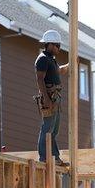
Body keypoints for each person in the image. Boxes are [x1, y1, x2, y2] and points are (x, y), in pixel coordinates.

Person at [35, 30, 69, 166]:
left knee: (54, 130)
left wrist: (70, 65)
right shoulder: (42, 59)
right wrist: (46, 98)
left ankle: (55, 157)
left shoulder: (51, 60)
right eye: (57, 46)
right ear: (49, 44)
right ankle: (44, 157)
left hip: (55, 97)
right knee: (47, 128)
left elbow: (59, 71)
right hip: (49, 96)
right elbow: (39, 79)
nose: (58, 48)